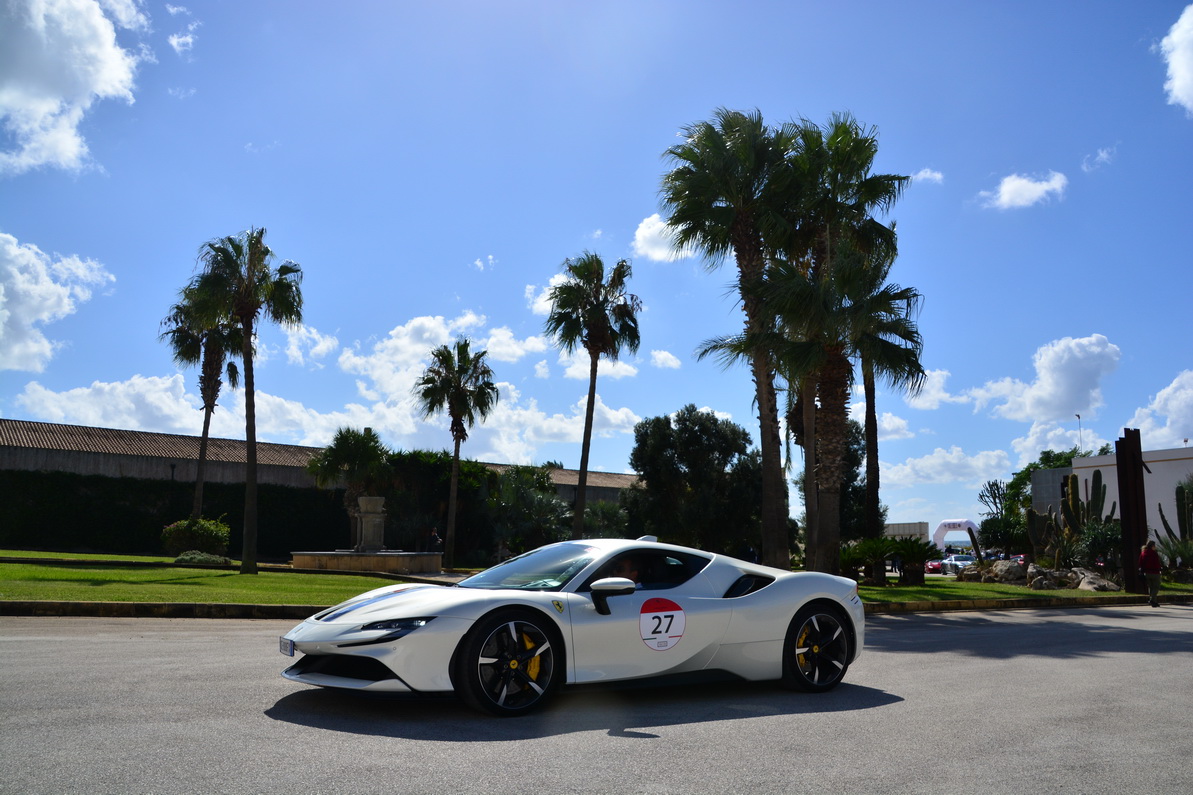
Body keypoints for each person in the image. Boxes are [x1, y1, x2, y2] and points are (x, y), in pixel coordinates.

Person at [1139, 539, 1162, 608]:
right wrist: (1160, 569)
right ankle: (1152, 600)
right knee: (1156, 587)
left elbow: (1140, 562)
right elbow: (1157, 563)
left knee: (1151, 587)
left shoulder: (1143, 553)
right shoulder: (1154, 553)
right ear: (1152, 546)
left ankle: (1154, 601)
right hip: (1155, 572)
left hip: (1147, 572)